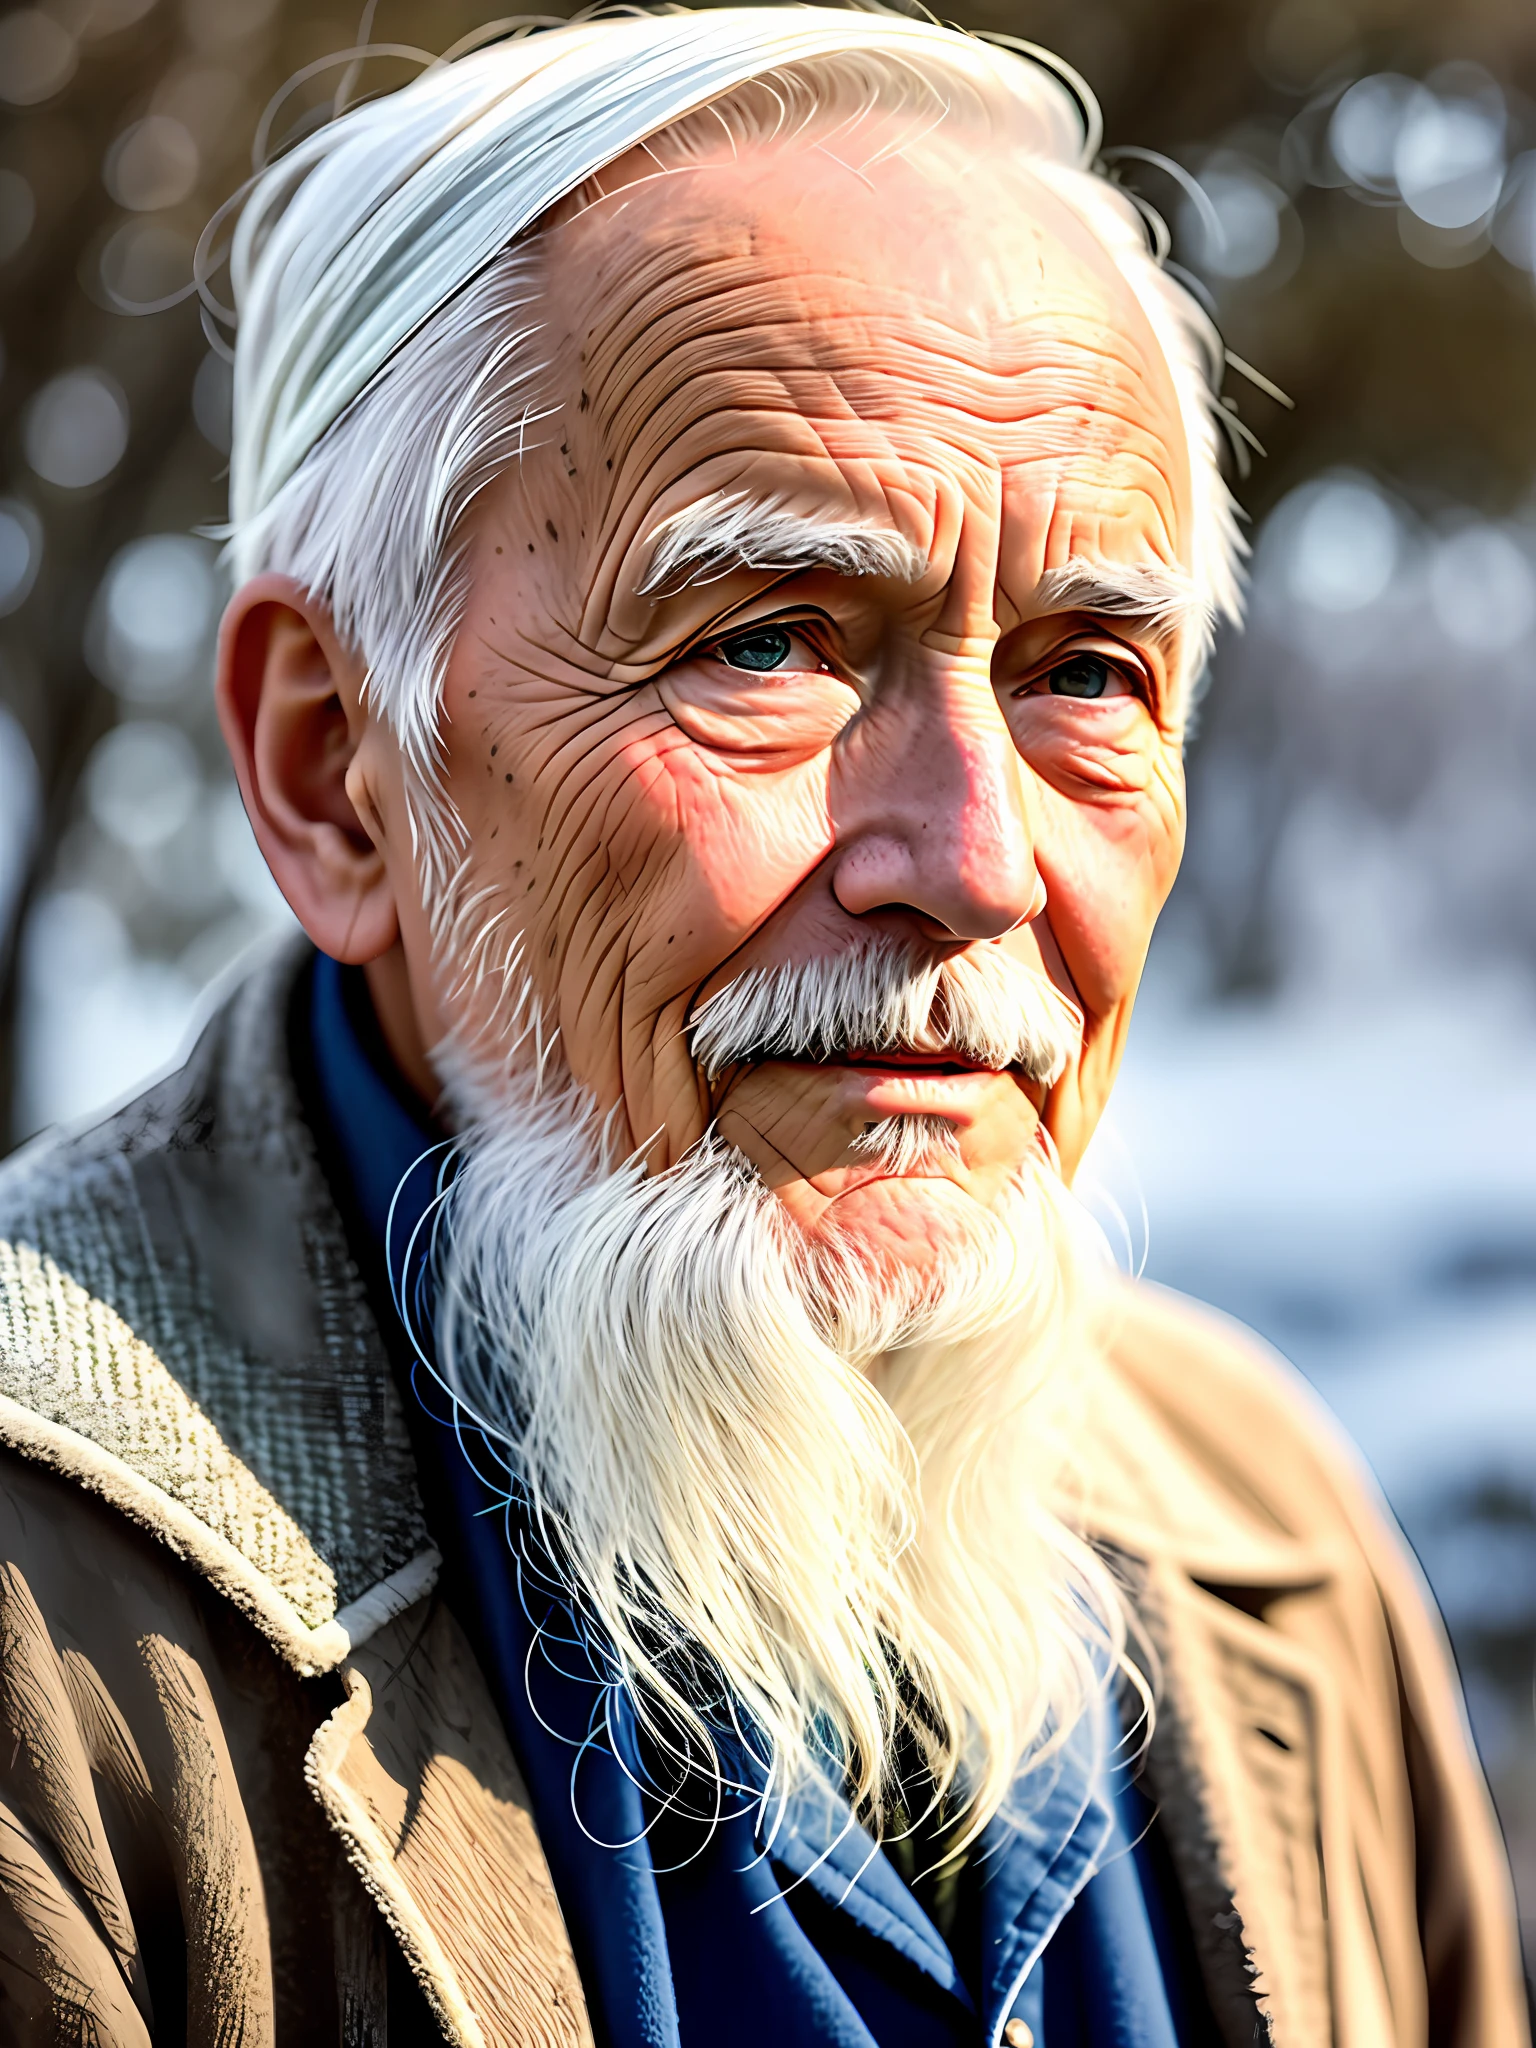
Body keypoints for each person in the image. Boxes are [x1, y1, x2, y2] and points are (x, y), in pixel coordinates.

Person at [0, 9, 1523, 2044]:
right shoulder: (53, 1645)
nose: (977, 860)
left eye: (1085, 672)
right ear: (334, 766)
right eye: (767, 645)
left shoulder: (1265, 1532)